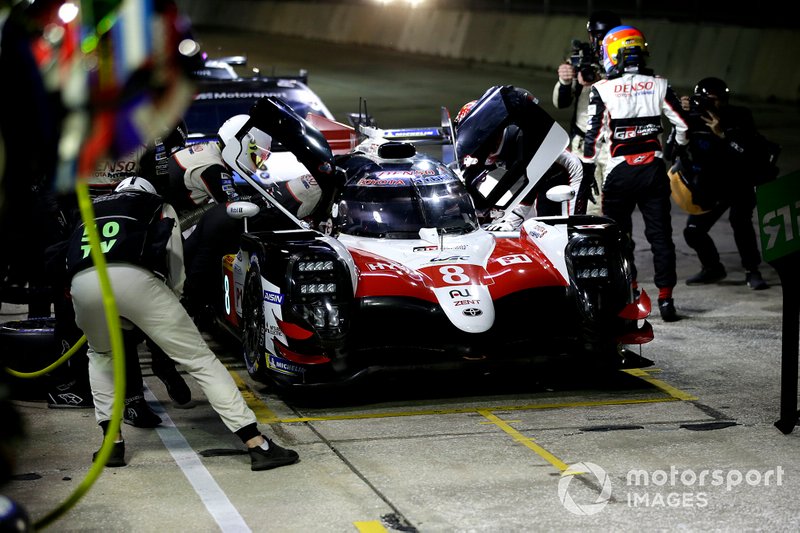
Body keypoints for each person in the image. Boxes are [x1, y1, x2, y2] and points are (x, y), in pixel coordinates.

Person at [65, 176, 299, 470]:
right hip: (134, 279)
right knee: (200, 360)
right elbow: (174, 262)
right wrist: (174, 302)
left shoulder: (90, 207)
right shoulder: (156, 205)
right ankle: (257, 444)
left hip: (82, 283)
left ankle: (111, 445)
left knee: (100, 357)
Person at [583, 25, 690, 322]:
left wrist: (587, 170)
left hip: (619, 171)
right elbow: (682, 125)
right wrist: (674, 149)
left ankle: (628, 291)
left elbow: (593, 138)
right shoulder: (659, 84)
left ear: (613, 54)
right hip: (653, 170)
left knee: (617, 237)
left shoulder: (602, 89)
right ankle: (666, 299)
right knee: (660, 236)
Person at [676, 77, 774, 290]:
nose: (715, 105)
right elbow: (672, 149)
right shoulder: (692, 119)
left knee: (741, 223)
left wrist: (723, 134)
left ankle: (752, 270)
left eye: (719, 100)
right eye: (709, 100)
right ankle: (712, 268)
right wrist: (678, 112)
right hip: (711, 185)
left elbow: (749, 153)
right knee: (693, 231)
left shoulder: (740, 116)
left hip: (740, 181)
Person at [553, 10, 621, 215]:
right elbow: (561, 103)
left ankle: (618, 241)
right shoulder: (582, 59)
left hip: (613, 143)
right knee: (582, 202)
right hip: (583, 143)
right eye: (597, 36)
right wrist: (565, 80)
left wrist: (601, 80)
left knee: (613, 204)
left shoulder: (624, 58)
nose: (600, 41)